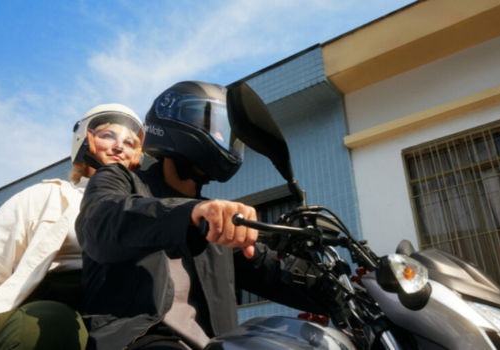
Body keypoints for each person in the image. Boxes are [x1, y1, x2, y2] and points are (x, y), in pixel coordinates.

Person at [76, 81, 319, 350]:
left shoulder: (216, 223)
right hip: (137, 341)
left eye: (225, 130)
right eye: (208, 121)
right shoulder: (119, 179)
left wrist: (350, 287)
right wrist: (189, 212)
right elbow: (102, 222)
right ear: (171, 119)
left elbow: (270, 269)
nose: (219, 133)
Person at [0, 103, 144, 350]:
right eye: (108, 136)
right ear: (84, 140)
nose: (119, 146)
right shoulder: (43, 197)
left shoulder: (147, 208)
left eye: (130, 143)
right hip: (53, 312)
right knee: (46, 326)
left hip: (123, 311)